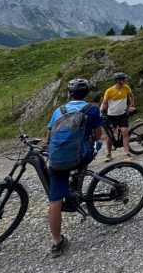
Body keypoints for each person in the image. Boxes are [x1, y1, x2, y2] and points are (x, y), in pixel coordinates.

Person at [46, 78, 103, 258]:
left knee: (55, 201)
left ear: (68, 94)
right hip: (81, 156)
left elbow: (49, 135)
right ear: (86, 94)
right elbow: (98, 135)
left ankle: (57, 242)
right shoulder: (92, 109)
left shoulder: (59, 110)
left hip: (58, 159)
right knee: (93, 148)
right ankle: (76, 185)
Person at [100, 72, 136, 162]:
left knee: (125, 132)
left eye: (124, 79)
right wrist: (100, 111)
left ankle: (126, 153)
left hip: (122, 115)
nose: (124, 81)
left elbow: (131, 96)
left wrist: (131, 105)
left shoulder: (126, 88)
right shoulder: (109, 91)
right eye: (122, 79)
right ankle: (109, 154)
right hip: (111, 116)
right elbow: (104, 103)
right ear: (117, 80)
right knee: (110, 135)